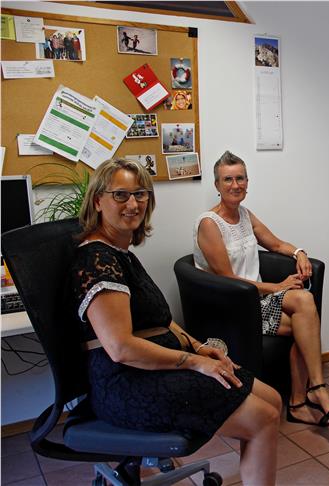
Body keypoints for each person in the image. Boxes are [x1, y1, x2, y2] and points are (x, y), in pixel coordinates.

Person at [71, 158, 279, 484]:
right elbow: (120, 348)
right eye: (120, 195)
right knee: (263, 418)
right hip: (126, 383)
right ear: (98, 201)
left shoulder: (121, 252)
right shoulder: (98, 259)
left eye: (140, 194)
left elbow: (163, 320)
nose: (133, 203)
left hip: (154, 369)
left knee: (273, 399)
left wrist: (199, 348)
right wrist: (192, 363)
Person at [194, 151, 329, 427]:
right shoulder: (209, 223)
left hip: (257, 300)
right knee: (306, 321)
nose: (235, 185)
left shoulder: (244, 214)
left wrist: (299, 252)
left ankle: (309, 393)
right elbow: (229, 280)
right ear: (217, 185)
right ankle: (306, 397)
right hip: (232, 306)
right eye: (228, 179)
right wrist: (277, 286)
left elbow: (275, 244)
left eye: (240, 178)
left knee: (304, 305)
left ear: (247, 182)